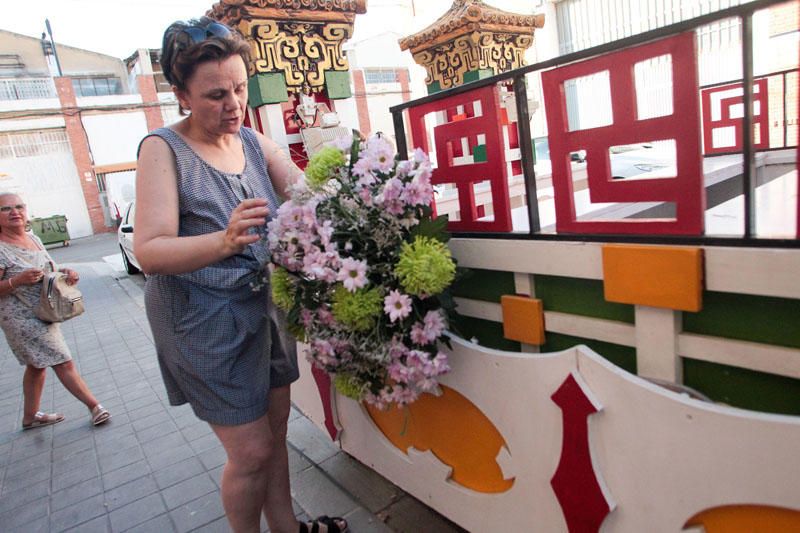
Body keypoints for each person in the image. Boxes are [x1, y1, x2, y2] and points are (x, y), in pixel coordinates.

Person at [135, 18, 347, 533]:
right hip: (201, 321)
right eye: (214, 95)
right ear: (181, 95)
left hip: (263, 308)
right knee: (251, 451)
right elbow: (149, 251)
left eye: (239, 86)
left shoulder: (251, 141)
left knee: (274, 432)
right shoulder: (162, 150)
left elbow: (306, 190)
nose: (233, 103)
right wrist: (223, 241)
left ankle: (288, 527)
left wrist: (351, 196)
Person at [0, 193, 111, 429]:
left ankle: (30, 417)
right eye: (6, 209)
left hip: (44, 310)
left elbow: (50, 268)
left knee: (37, 365)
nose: (14, 212)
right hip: (20, 318)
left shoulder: (33, 238)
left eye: (19, 206)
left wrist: (67, 273)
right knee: (62, 360)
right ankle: (95, 407)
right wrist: (16, 281)